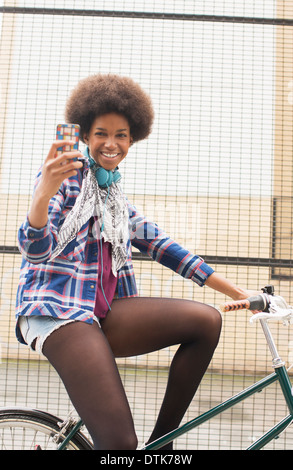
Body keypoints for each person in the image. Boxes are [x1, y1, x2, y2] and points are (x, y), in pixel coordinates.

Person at [16, 74, 252, 450]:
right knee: (121, 447)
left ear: (132, 138)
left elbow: (163, 246)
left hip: (102, 313)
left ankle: (162, 444)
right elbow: (36, 250)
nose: (111, 143)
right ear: (84, 136)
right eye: (101, 133)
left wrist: (241, 292)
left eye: (121, 134)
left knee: (206, 321)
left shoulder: (113, 196)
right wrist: (42, 197)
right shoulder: (62, 180)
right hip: (57, 312)